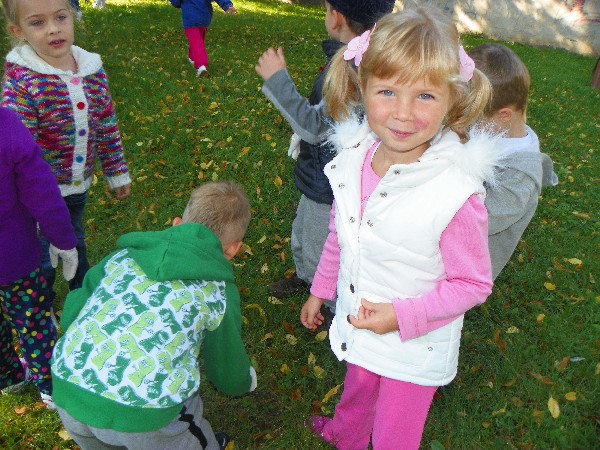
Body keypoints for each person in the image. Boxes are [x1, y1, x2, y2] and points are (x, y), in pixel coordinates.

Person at [300, 7, 501, 449]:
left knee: (395, 433)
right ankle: (346, 435)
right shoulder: (353, 160)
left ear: (453, 99)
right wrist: (321, 289)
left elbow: (472, 284)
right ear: (362, 86)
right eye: (388, 91)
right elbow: (341, 234)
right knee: (357, 389)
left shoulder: (454, 193)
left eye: (425, 95)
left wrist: (401, 317)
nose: (404, 113)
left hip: (415, 347)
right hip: (360, 322)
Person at [341, 44, 560, 337]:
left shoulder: (520, 175)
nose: (458, 122)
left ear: (503, 115)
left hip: (455, 273)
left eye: (470, 115)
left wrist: (419, 194)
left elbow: (476, 218)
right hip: (426, 256)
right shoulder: (483, 135)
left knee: (425, 323)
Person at [51, 181, 257, 450]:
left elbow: (77, 306)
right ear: (233, 249)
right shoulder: (217, 292)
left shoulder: (123, 257)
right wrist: (242, 381)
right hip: (144, 412)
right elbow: (225, 362)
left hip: (69, 385)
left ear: (177, 223)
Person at [255, 0, 395, 305]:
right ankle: (305, 277)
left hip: (330, 185)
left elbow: (315, 127)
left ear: (336, 18)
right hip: (320, 176)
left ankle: (330, 305)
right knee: (303, 233)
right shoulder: (366, 58)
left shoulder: (353, 66)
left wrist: (278, 80)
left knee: (320, 245)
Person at [1, 0, 132, 304]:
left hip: (76, 185)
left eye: (60, 17)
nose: (53, 29)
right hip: (36, 196)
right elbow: (18, 148)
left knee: (75, 239)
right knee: (41, 255)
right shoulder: (22, 81)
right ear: (18, 31)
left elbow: (106, 124)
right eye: (38, 23)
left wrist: (116, 172)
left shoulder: (91, 70)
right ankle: (40, 306)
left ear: (72, 16)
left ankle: (83, 298)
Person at [0, 107, 78, 410]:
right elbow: (41, 191)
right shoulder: (6, 125)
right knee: (32, 320)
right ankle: (51, 386)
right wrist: (63, 239)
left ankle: (9, 377)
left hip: (14, 256)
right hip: (15, 258)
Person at [169, 0, 237, 77]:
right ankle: (192, 57)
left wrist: (228, 6)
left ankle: (201, 65)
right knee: (197, 41)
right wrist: (227, 6)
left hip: (191, 18)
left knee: (197, 42)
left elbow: (176, 3)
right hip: (204, 18)